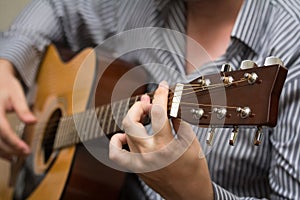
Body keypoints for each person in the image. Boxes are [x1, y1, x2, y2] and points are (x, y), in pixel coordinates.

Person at [0, 0, 299, 199]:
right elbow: (57, 7)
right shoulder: (135, 6)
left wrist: (198, 194)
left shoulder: (290, 41)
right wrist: (6, 65)